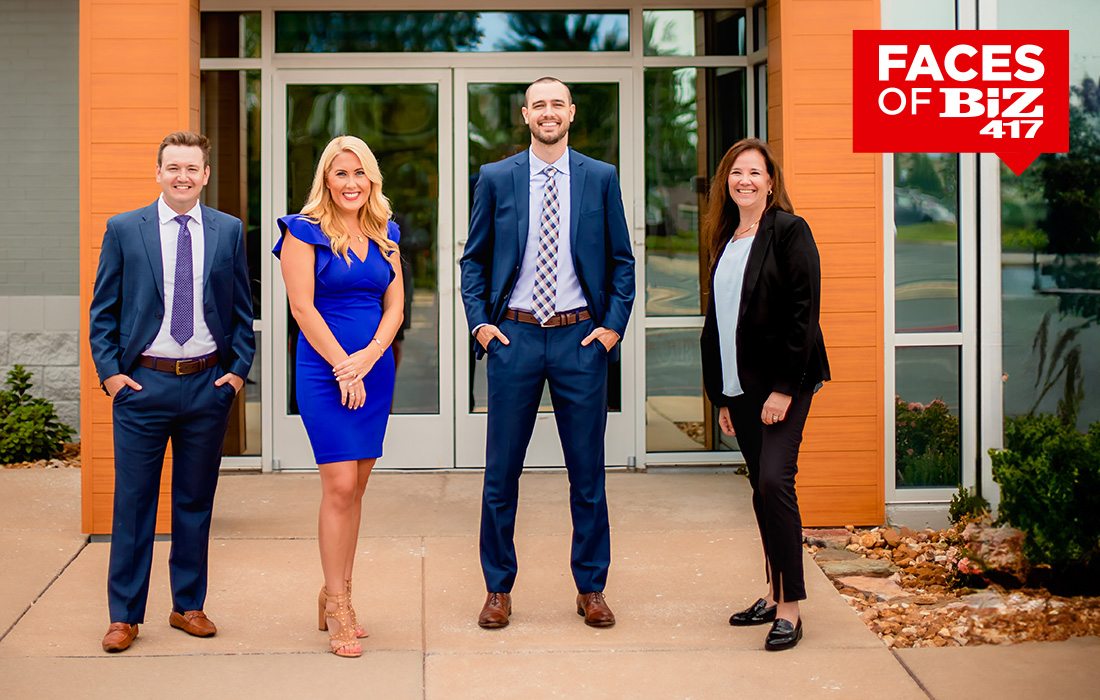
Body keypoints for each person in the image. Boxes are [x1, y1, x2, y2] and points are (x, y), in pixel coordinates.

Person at [459, 77, 635, 630]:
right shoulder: (495, 178)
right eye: (539, 105)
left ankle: (591, 587)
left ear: (572, 113)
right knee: (500, 475)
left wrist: (611, 329)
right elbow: (474, 260)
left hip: (579, 341)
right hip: (514, 339)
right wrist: (481, 325)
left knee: (587, 476)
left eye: (557, 104)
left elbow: (621, 261)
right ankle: (497, 589)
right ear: (525, 115)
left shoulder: (600, 178)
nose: (549, 112)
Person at [89, 131, 255, 653]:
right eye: (173, 167)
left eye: (192, 168)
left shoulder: (228, 231)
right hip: (143, 385)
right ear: (158, 172)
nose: (183, 176)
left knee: (194, 502)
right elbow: (103, 311)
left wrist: (235, 373)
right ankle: (124, 615)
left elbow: (240, 309)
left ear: (205, 175)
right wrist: (114, 375)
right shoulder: (124, 229)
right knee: (133, 504)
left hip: (206, 385)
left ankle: (188, 605)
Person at [273, 135, 403, 658]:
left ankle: (333, 592)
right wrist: (343, 367)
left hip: (373, 370)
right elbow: (302, 309)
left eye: (360, 173)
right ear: (325, 179)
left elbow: (395, 307)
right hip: (323, 371)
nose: (351, 183)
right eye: (340, 173)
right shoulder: (301, 232)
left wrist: (368, 359)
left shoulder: (385, 231)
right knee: (339, 484)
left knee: (358, 488)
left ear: (372, 179)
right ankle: (341, 604)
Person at [699, 138, 830, 651]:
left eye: (755, 172)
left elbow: (804, 313)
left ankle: (791, 610)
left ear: (771, 181)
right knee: (760, 489)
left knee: (775, 482)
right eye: (736, 172)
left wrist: (782, 390)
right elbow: (720, 322)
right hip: (742, 387)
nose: (744, 180)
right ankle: (774, 592)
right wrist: (725, 397)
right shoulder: (728, 236)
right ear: (726, 183)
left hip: (784, 384)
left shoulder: (789, 231)